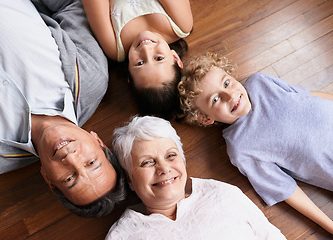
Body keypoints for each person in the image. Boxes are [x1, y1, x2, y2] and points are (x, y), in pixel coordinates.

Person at [0, 0, 126, 217]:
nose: (70, 158)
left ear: (48, 179)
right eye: (91, 162)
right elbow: (70, 4)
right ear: (99, 143)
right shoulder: (90, 76)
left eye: (69, 178)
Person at [178, 52, 333, 234]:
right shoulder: (240, 147)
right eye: (215, 99)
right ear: (205, 118)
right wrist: (329, 226)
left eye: (226, 83)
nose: (230, 95)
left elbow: (306, 96)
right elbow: (286, 189)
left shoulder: (259, 82)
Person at [106, 115, 286, 239]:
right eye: (147, 162)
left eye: (170, 156)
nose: (164, 168)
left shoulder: (222, 194)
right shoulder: (123, 236)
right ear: (130, 180)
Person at [81, 0, 193, 120]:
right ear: (176, 58)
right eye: (159, 58)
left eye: (139, 63)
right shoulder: (181, 25)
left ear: (129, 73)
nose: (146, 49)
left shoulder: (114, 46)